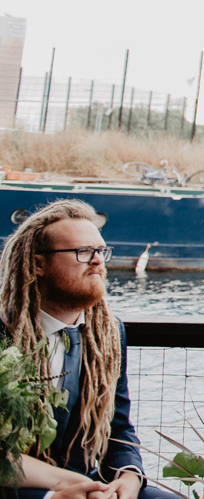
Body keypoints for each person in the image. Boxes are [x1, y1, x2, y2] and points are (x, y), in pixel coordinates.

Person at [0, 199, 173, 499]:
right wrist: (58, 492)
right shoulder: (4, 333)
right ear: (38, 264)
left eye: (101, 251)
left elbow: (119, 428)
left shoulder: (107, 333)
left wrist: (129, 478)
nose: (97, 261)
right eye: (82, 252)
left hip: (91, 485)